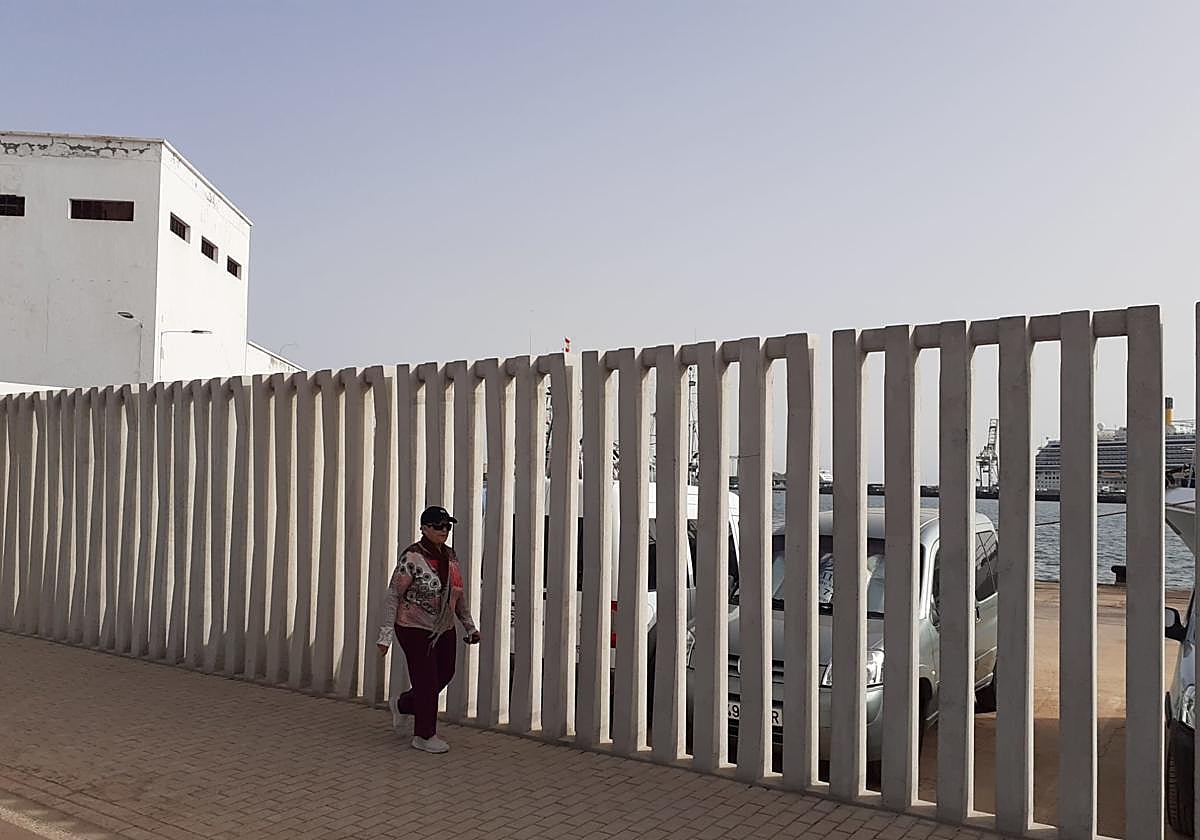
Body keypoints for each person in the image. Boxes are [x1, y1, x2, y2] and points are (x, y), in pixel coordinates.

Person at [377, 505, 481, 753]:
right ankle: (424, 735)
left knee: (445, 673)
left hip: (444, 627)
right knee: (426, 681)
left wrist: (469, 626)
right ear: (424, 528)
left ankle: (403, 704)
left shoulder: (451, 556)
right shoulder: (411, 558)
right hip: (413, 627)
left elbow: (458, 593)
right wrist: (385, 636)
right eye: (437, 526)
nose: (443, 530)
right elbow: (394, 595)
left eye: (447, 526)